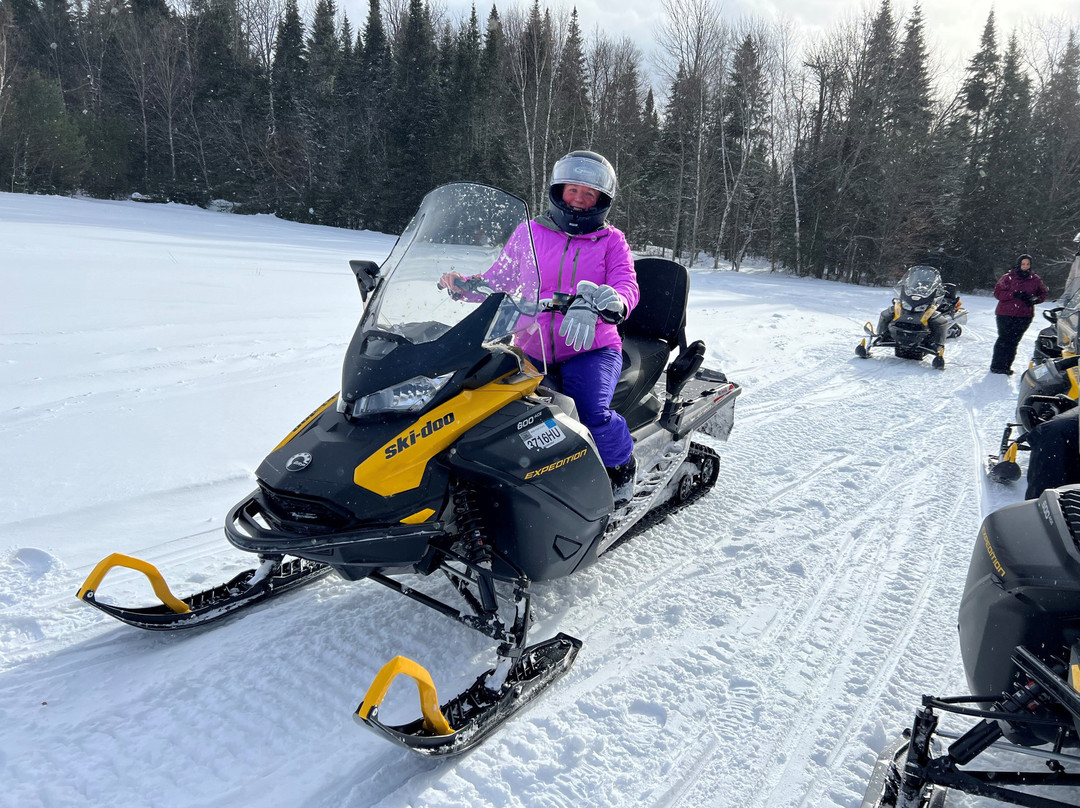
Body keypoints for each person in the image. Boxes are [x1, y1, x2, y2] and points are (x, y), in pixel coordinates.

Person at [439, 151, 640, 504]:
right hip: (531, 345)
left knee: (591, 412)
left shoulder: (612, 241)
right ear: (558, 191)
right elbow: (499, 279)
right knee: (499, 413)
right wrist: (465, 285)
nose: (578, 200)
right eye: (572, 190)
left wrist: (613, 302)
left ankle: (621, 467)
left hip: (592, 347)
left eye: (588, 194)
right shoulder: (529, 233)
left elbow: (626, 283)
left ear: (601, 201)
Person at [991, 254, 1049, 375]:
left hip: (1024, 315)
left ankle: (1006, 366)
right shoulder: (1008, 277)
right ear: (1019, 264)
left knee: (1014, 340)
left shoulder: (1035, 279)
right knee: (1004, 339)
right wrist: (1013, 294)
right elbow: (998, 293)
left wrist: (1034, 299)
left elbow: (1043, 294)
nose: (1025, 266)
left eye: (1028, 264)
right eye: (1023, 264)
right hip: (1005, 313)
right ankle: (997, 365)